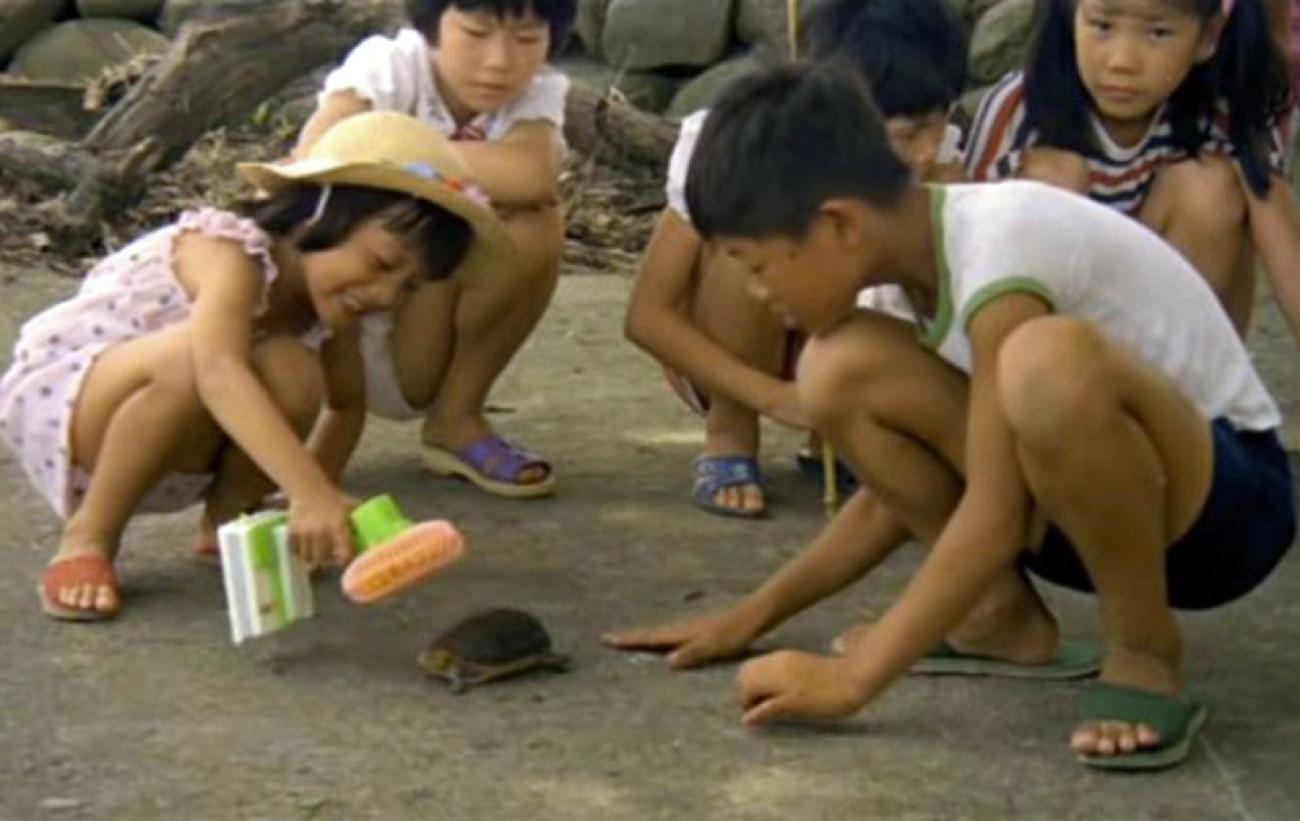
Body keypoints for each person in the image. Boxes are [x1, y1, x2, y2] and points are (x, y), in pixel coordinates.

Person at [606, 62, 1294, 771]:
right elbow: (893, 500)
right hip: (1086, 507)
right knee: (838, 367)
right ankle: (1001, 620)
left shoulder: (1002, 238)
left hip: (1227, 507)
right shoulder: (898, 288)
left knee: (1043, 361)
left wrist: (855, 679)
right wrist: (747, 618)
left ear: (838, 223)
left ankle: (1144, 649)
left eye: (755, 264)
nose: (755, 290)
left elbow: (996, 508)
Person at [0, 112, 507, 622]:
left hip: (175, 439)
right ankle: (89, 537)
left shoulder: (332, 308)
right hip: (73, 407)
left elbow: (346, 405)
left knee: (292, 368)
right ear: (319, 217)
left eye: (408, 287)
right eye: (379, 263)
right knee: (194, 357)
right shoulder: (229, 253)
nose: (384, 295)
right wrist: (310, 491)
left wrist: (316, 502)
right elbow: (216, 370)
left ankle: (229, 523)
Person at [624, 0, 967, 518]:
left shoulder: (944, 160)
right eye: (903, 135)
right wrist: (774, 396)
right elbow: (647, 316)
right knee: (752, 259)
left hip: (857, 354)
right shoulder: (737, 141)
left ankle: (845, 437)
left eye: (934, 126)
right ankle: (731, 434)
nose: (925, 151)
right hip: (739, 355)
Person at [292, 0, 577, 498]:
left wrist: (391, 156)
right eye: (475, 32)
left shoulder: (539, 92)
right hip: (336, 321)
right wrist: (465, 170)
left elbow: (532, 177)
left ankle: (456, 418)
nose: (499, 61)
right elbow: (322, 154)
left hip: (416, 313)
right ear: (430, 26)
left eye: (527, 39)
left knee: (538, 221)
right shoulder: (388, 66)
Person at [965, 0, 1300, 342]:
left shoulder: (1227, 106)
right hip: (1047, 348)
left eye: (1158, 33)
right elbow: (967, 255)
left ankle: (1192, 386)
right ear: (1072, 14)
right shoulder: (1018, 107)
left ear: (1207, 36)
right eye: (1102, 26)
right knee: (1052, 179)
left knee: (1211, 189)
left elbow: (1286, 254)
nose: (1122, 61)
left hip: (1168, 336)